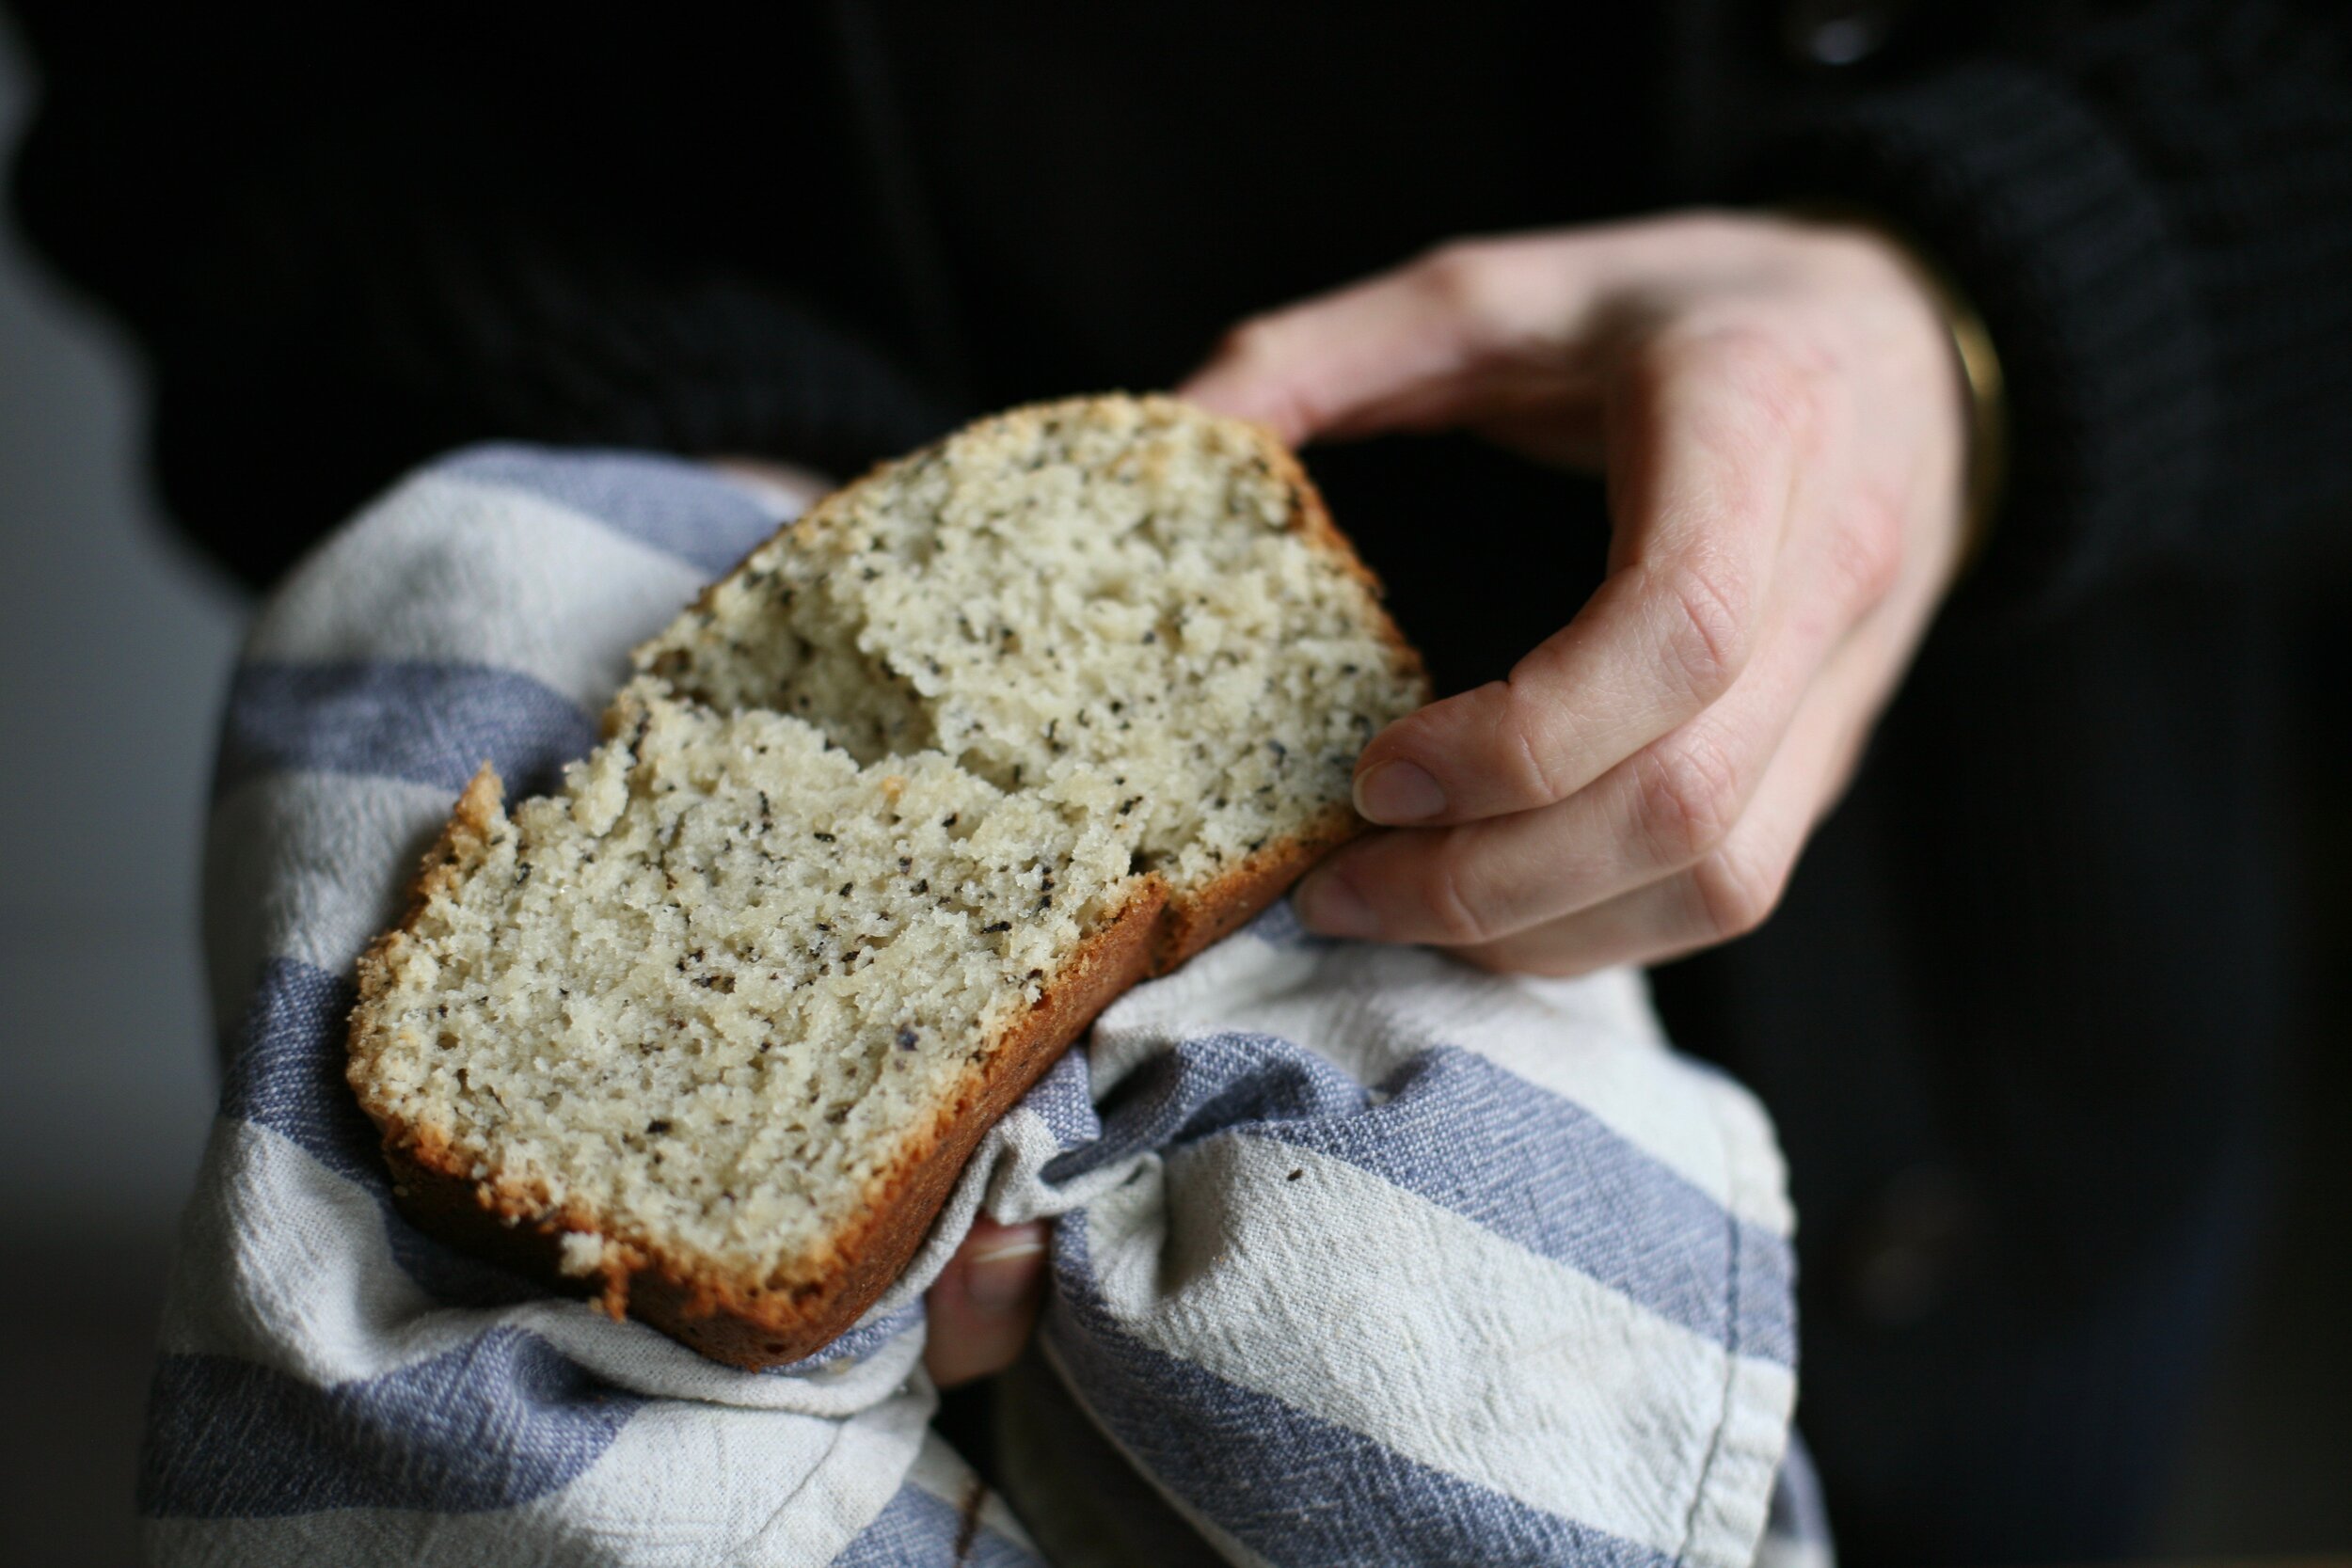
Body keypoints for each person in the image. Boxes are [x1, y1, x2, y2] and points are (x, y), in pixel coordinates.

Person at [11, 3, 2348, 1559]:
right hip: (737, 414)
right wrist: (668, 444)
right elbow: (220, 66)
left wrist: (1991, 312)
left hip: (2005, 1051)